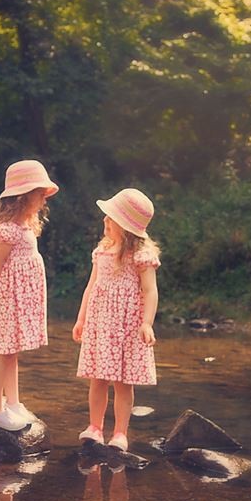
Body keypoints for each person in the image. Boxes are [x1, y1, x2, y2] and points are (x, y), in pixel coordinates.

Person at [72, 188, 160, 452]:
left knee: (123, 382)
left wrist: (146, 322)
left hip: (126, 326)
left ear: (124, 225)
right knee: (97, 378)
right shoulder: (102, 251)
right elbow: (91, 287)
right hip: (100, 323)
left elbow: (150, 290)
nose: (105, 222)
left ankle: (120, 433)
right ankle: (95, 427)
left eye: (110, 218)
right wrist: (81, 319)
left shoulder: (141, 255)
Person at [0, 159, 58, 431]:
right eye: (39, 194)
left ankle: (12, 402)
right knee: (3, 351)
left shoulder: (26, 226)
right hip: (10, 297)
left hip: (22, 298)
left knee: (12, 352)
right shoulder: (8, 230)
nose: (42, 200)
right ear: (23, 197)